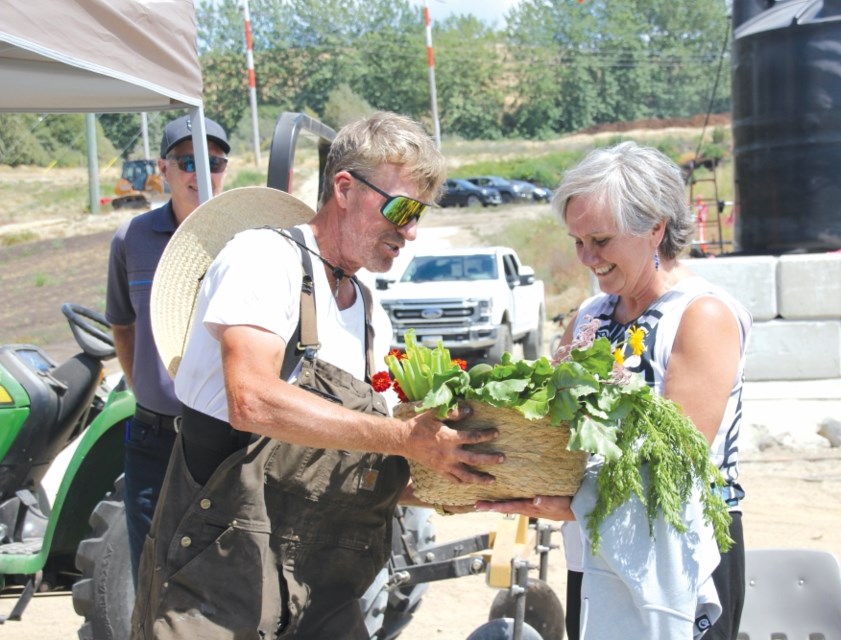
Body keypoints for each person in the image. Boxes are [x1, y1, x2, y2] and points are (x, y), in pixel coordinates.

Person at [131, 111, 504, 640]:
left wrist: (464, 477)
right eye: (401, 207)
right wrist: (404, 437)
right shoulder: (264, 259)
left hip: (319, 585)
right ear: (345, 188)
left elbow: (355, 458)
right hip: (219, 576)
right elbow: (253, 400)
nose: (411, 230)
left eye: (421, 213)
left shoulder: (370, 312)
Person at [478, 142, 752, 639]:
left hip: (681, 555)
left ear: (655, 227)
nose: (586, 258)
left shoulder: (700, 315)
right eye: (577, 240)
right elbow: (550, 426)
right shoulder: (591, 317)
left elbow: (677, 462)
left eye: (600, 239)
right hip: (595, 550)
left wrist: (567, 503)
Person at [104, 113, 230, 582]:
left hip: (224, 436)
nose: (203, 171)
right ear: (164, 169)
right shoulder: (131, 238)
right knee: (151, 577)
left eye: (214, 161)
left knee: (223, 576)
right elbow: (123, 326)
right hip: (153, 438)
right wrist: (149, 390)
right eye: (188, 160)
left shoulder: (246, 240)